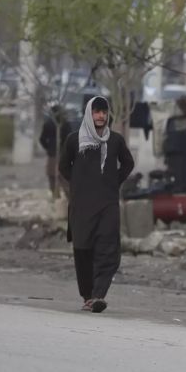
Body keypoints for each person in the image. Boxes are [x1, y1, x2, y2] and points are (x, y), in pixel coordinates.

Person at [59, 97, 134, 314]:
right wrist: (79, 183)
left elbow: (128, 163)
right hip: (82, 205)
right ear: (88, 114)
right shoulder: (74, 140)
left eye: (104, 112)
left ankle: (99, 295)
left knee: (108, 249)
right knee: (83, 250)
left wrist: (113, 181)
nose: (100, 116)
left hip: (108, 204)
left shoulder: (115, 141)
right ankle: (88, 295)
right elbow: (64, 166)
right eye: (96, 112)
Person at [39, 105, 72, 197]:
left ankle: (55, 195)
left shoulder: (48, 124)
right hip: (63, 154)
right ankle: (68, 197)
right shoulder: (66, 124)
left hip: (52, 154)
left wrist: (48, 148)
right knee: (64, 177)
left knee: (52, 176)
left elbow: (42, 139)